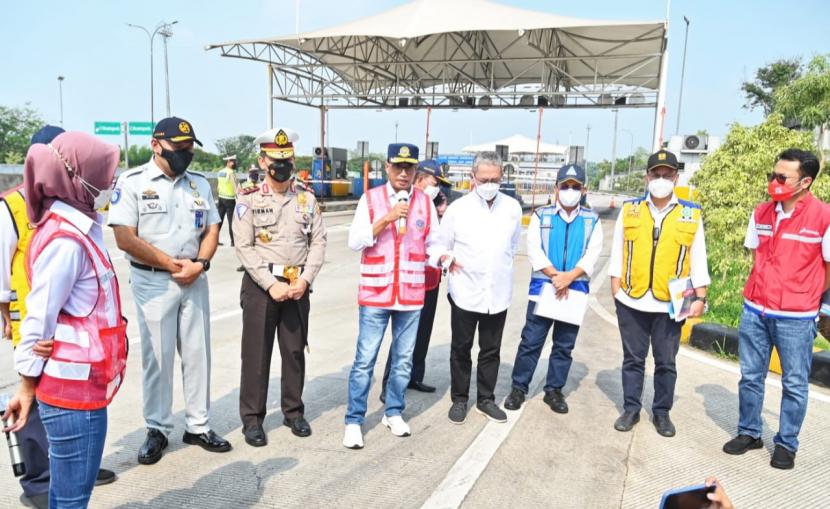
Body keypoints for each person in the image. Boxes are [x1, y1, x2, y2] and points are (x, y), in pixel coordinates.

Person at [3, 131, 126, 508]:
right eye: (106, 174)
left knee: (68, 496)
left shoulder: (76, 227)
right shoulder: (66, 241)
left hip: (81, 384)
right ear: (77, 178)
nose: (112, 183)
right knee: (71, 501)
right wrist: (25, 387)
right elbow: (38, 319)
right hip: (74, 393)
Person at [107, 117, 231, 465]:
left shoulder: (199, 184)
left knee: (198, 354)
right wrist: (169, 263)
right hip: (153, 281)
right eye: (179, 147)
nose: (186, 154)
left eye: (189, 147)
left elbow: (212, 230)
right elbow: (124, 237)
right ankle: (158, 429)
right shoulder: (132, 182)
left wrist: (200, 264)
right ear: (156, 145)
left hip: (194, 278)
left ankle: (198, 425)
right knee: (157, 359)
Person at [723, 149, 830, 470]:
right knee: (750, 376)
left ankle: (786, 444)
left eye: (782, 177)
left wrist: (817, 302)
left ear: (805, 181)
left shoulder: (823, 217)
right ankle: (749, 432)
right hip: (755, 309)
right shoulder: (761, 212)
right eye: (773, 175)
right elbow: (755, 254)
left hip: (797, 315)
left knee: (795, 382)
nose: (774, 182)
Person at [343, 143, 440, 449]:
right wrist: (387, 217)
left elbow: (433, 243)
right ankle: (354, 420)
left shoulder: (424, 203)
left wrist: (444, 257)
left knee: (402, 361)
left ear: (416, 171)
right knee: (365, 360)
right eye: (397, 166)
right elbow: (355, 241)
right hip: (376, 294)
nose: (403, 173)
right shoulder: (370, 199)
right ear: (386, 167)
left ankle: (393, 411)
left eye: (409, 168)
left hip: (410, 296)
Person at [234, 128, 327, 447]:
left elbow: (319, 242)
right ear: (262, 160)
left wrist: (305, 279)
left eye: (287, 159)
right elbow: (243, 247)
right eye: (276, 160)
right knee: (256, 355)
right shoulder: (248, 200)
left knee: (293, 351)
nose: (282, 165)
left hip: (297, 286)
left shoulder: (307, 199)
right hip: (262, 287)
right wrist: (271, 284)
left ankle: (293, 411)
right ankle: (252, 419)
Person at [608, 149, 709, 437]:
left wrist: (699, 297)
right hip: (631, 297)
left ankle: (662, 412)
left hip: (676, 299)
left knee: (666, 361)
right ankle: (631, 408)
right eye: (656, 174)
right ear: (647, 176)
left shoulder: (690, 213)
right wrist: (616, 289)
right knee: (633, 359)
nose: (661, 179)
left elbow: (698, 256)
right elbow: (618, 252)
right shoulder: (630, 210)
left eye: (667, 174)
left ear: (676, 177)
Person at [504, 164, 603, 414]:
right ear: (556, 188)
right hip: (544, 288)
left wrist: (570, 277)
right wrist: (555, 275)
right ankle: (518, 388)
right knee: (531, 342)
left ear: (584, 190)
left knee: (563, 345)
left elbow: (593, 253)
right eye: (565, 186)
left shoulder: (592, 220)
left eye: (575, 186)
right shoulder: (541, 215)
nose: (570, 190)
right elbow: (534, 249)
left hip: (574, 290)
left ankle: (554, 390)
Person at [434, 151, 522, 425]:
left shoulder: (512, 208)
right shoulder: (458, 210)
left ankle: (485, 399)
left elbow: (513, 246)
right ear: (472, 178)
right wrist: (446, 259)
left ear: (501, 177)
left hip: (497, 293)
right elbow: (440, 245)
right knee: (461, 348)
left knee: (491, 350)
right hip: (465, 292)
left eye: (494, 179)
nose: (489, 184)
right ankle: (460, 399)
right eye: (483, 179)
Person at [379, 159, 451, 402]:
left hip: (431, 277)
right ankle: (390, 383)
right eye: (435, 181)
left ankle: (413, 376)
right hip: (410, 278)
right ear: (420, 178)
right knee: (403, 335)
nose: (439, 187)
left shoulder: (434, 204)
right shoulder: (408, 201)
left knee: (423, 332)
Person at [216, 154, 238, 246]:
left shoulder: (220, 172)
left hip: (221, 198)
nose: (234, 163)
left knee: (219, 220)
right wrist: (238, 197)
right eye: (233, 161)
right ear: (228, 162)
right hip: (229, 200)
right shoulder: (231, 173)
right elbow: (235, 186)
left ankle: (214, 240)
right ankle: (233, 242)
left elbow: (218, 187)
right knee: (231, 221)